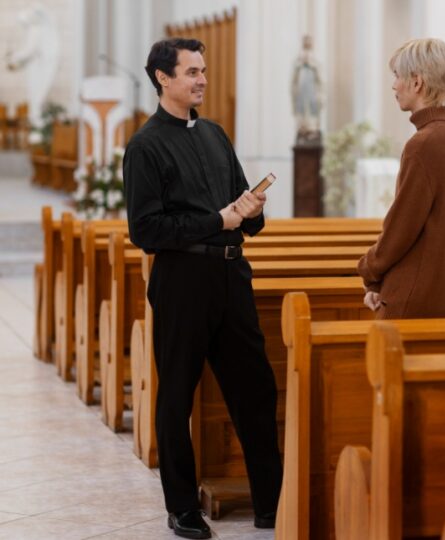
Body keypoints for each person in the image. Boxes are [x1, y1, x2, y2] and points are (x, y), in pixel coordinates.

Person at [123, 38, 282, 539]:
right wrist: (218, 218)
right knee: (177, 396)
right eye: (191, 71)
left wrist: (250, 211)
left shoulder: (215, 134)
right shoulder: (145, 147)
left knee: (255, 391)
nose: (202, 79)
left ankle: (271, 501)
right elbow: (146, 232)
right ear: (161, 78)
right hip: (183, 282)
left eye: (204, 70)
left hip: (232, 276)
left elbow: (241, 210)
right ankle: (182, 507)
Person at [357, 38, 445, 319]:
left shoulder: (424, 142)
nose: (394, 85)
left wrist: (369, 269)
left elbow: (401, 227)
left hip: (412, 298)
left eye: (397, 76)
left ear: (416, 82)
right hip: (442, 292)